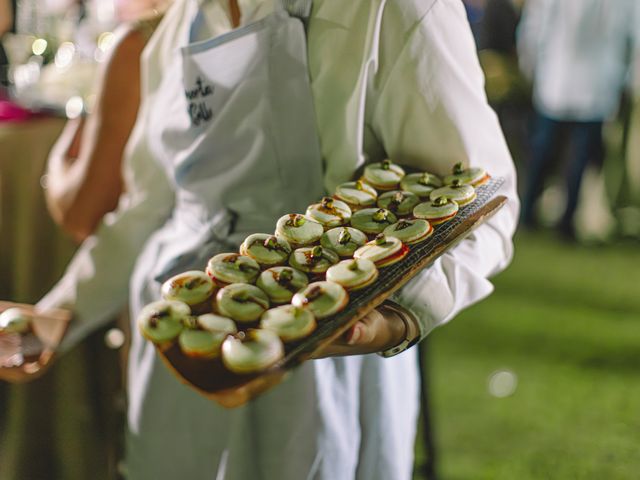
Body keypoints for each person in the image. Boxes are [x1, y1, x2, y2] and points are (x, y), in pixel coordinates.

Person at [5, 0, 518, 478]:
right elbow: (146, 209)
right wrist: (62, 313)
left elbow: (482, 198)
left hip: (318, 356)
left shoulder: (386, 9)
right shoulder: (181, 22)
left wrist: (396, 318)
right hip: (182, 360)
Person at [517, 0, 640, 239]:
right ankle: (544, 217)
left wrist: (530, 65)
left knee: (565, 156)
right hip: (574, 82)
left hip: (575, 82)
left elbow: (534, 28)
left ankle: (550, 218)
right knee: (558, 154)